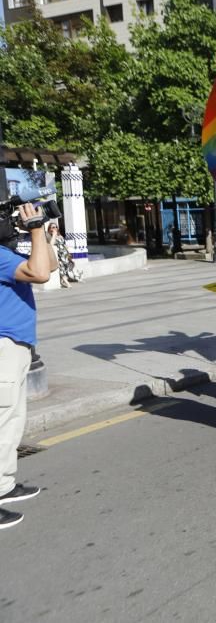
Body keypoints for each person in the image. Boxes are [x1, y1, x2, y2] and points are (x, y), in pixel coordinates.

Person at [1, 203, 57, 529]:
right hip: (3, 347)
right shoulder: (0, 257)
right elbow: (41, 274)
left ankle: (4, 486)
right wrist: (34, 229)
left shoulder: (6, 256)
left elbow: (47, 262)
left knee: (10, 423)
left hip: (15, 348)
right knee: (1, 422)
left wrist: (42, 231)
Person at [47, 222, 81, 288]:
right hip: (58, 255)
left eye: (56, 227)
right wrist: (54, 235)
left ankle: (63, 280)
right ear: (50, 229)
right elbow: (51, 244)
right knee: (61, 267)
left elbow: (65, 245)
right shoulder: (49, 236)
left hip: (64, 254)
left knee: (66, 267)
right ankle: (66, 282)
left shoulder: (60, 236)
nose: (55, 228)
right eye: (53, 227)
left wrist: (69, 254)